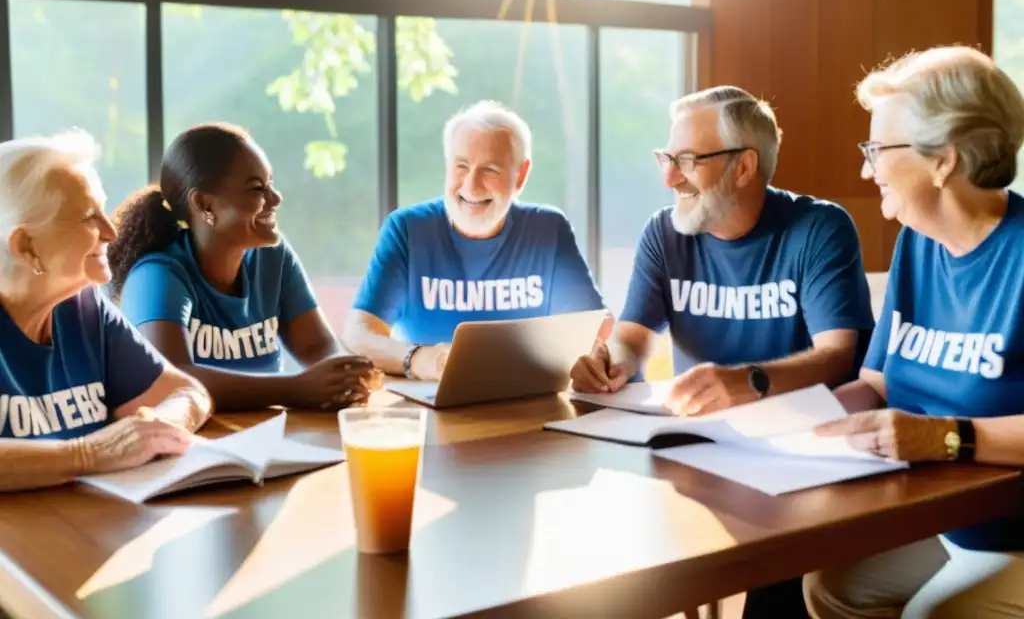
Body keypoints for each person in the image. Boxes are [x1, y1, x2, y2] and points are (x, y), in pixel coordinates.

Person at [570, 85, 876, 619]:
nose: (669, 177)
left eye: (687, 160)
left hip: (802, 461)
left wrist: (749, 381)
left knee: (772, 597)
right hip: (700, 452)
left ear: (743, 167)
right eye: (667, 158)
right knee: (601, 563)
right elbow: (635, 334)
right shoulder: (663, 234)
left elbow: (838, 355)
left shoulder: (818, 229)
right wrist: (611, 363)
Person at [802, 46, 1024, 618]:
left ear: (943, 160)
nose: (865, 169)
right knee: (831, 586)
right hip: (945, 521)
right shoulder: (916, 245)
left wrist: (947, 437)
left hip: (1015, 535)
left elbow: (933, 434)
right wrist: (792, 422)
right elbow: (875, 384)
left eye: (876, 149)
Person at [108, 122, 379, 413]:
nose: (275, 199)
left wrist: (345, 373)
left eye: (271, 184)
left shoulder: (272, 257)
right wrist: (295, 389)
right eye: (257, 189)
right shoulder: (157, 275)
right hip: (199, 445)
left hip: (271, 435)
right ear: (204, 204)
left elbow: (316, 347)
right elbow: (171, 378)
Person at [0, 130, 212, 492]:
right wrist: (90, 454)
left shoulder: (84, 306)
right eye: (88, 217)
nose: (111, 231)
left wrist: (151, 431)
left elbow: (190, 394)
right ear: (25, 246)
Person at [342, 100, 609, 379]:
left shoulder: (549, 229)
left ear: (521, 175)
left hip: (529, 405)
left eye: (489, 170)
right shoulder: (407, 230)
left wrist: (591, 352)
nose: (471, 186)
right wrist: (417, 358)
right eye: (461, 166)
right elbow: (358, 333)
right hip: (431, 405)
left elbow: (590, 325)